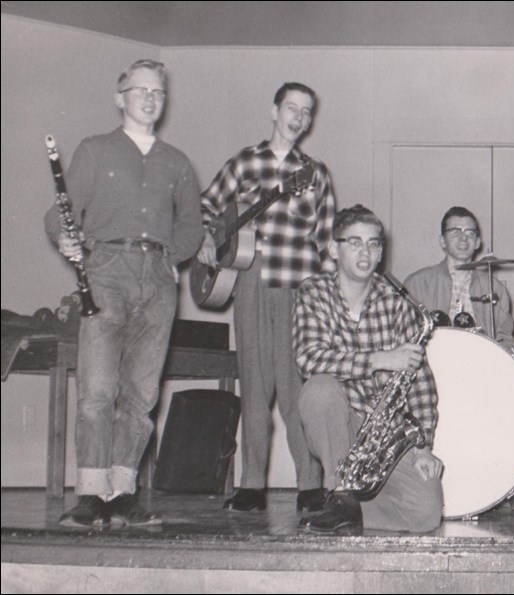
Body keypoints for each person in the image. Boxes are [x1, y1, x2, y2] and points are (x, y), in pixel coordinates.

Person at [44, 59, 204, 527]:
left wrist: (172, 258)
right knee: (97, 389)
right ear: (121, 97)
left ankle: (123, 492)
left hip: (158, 275)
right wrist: (63, 236)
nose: (150, 99)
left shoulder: (177, 162)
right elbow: (61, 212)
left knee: (140, 393)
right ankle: (92, 494)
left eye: (158, 92)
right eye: (141, 90)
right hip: (107, 269)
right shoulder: (95, 150)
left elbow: (192, 224)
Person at [197, 83, 336, 513]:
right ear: (274, 110)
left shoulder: (316, 173)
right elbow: (205, 207)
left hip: (300, 286)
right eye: (291, 107)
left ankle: (310, 483)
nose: (297, 117)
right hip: (251, 282)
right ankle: (252, 483)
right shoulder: (244, 162)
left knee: (297, 386)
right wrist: (204, 238)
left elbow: (327, 240)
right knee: (253, 383)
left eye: (306, 111)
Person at [293, 205, 443, 534]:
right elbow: (309, 357)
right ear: (334, 248)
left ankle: (342, 511)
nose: (367, 252)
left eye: (374, 244)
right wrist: (379, 359)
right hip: (338, 417)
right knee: (319, 389)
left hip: (383, 429)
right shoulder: (314, 293)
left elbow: (420, 382)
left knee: (426, 515)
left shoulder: (396, 303)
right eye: (355, 242)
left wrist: (422, 446)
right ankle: (342, 491)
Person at [404, 206, 514, 352]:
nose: (463, 238)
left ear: (477, 242)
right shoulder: (417, 283)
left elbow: (505, 341)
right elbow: (405, 335)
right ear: (442, 241)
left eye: (470, 233)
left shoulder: (495, 289)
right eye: (456, 232)